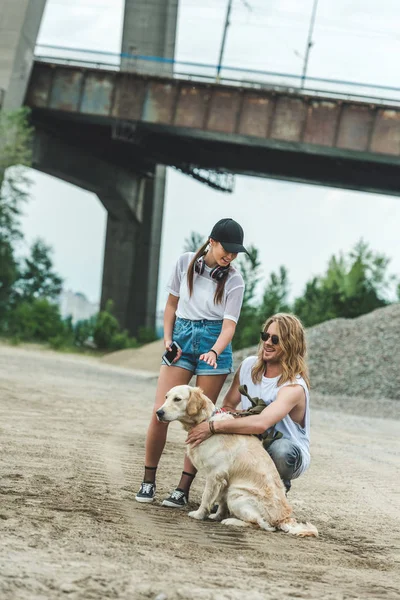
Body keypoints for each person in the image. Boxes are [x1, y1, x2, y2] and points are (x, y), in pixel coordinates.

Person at [135, 218, 247, 507]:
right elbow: (171, 304)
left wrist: (214, 350)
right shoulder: (185, 262)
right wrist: (167, 340)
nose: (231, 255)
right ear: (212, 241)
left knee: (200, 418)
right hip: (181, 339)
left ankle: (182, 490)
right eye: (227, 248)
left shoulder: (234, 280)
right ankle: (148, 481)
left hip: (214, 341)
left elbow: (229, 326)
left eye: (236, 252)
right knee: (161, 410)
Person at [186, 313, 311, 494]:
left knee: (281, 452)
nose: (267, 342)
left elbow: (261, 424)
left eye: (275, 339)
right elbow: (228, 405)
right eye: (265, 336)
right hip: (252, 440)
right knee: (226, 435)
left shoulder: (293, 386)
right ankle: (233, 489)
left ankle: (279, 486)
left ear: (291, 344)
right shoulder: (249, 366)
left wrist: (212, 427)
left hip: (287, 450)